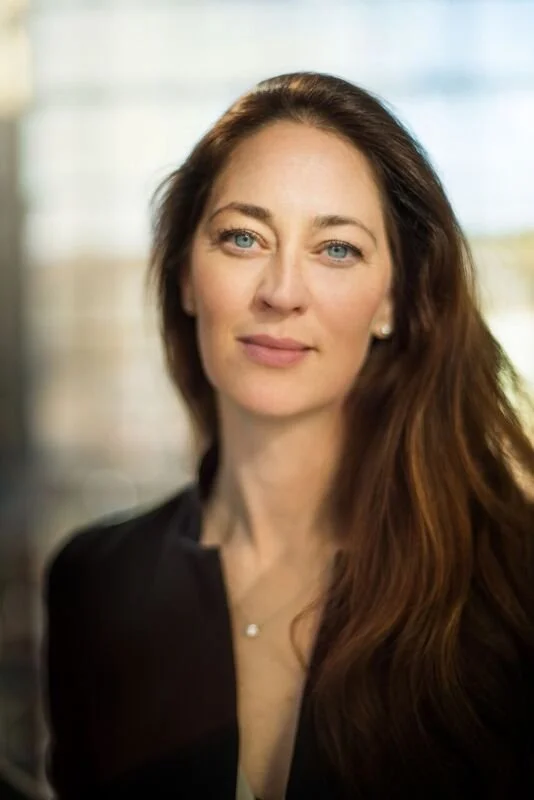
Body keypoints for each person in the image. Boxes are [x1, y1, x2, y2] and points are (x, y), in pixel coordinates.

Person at [41, 72, 534, 800]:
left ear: (392, 303)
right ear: (185, 276)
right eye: (243, 237)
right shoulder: (93, 583)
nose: (281, 290)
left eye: (336, 249)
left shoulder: (514, 579)